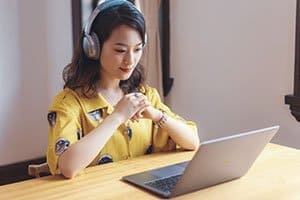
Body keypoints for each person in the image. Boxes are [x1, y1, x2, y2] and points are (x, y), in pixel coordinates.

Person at [46, 0, 199, 179]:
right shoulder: (69, 103)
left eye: (137, 49)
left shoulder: (145, 95)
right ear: (92, 47)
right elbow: (68, 167)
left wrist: (156, 115)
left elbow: (193, 142)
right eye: (120, 50)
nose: (130, 60)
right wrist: (117, 116)